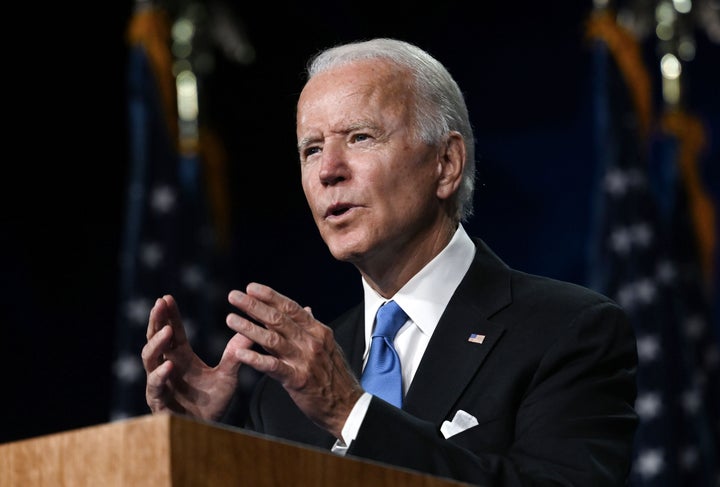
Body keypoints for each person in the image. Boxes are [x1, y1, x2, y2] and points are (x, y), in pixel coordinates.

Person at [142, 38, 638, 485]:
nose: (328, 171)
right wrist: (202, 445)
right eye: (311, 150)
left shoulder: (567, 332)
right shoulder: (286, 393)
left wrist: (351, 412)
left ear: (445, 164)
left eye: (360, 137)